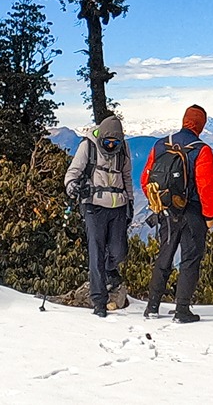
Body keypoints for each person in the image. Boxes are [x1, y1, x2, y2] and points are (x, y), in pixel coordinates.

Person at [141, 104, 213, 324]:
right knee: (190, 259)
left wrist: (158, 201)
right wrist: (209, 215)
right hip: (192, 211)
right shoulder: (201, 149)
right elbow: (206, 187)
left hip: (166, 210)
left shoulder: (160, 144)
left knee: (164, 255)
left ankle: (152, 306)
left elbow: (145, 180)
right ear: (201, 124)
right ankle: (182, 309)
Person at [65, 114, 137, 317]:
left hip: (118, 207)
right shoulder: (87, 146)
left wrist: (130, 202)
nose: (112, 145)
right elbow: (72, 174)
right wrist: (73, 188)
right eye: (108, 142)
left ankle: (109, 270)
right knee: (95, 252)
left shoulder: (124, 149)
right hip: (93, 206)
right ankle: (99, 301)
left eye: (116, 142)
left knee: (119, 251)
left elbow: (126, 176)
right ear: (102, 138)